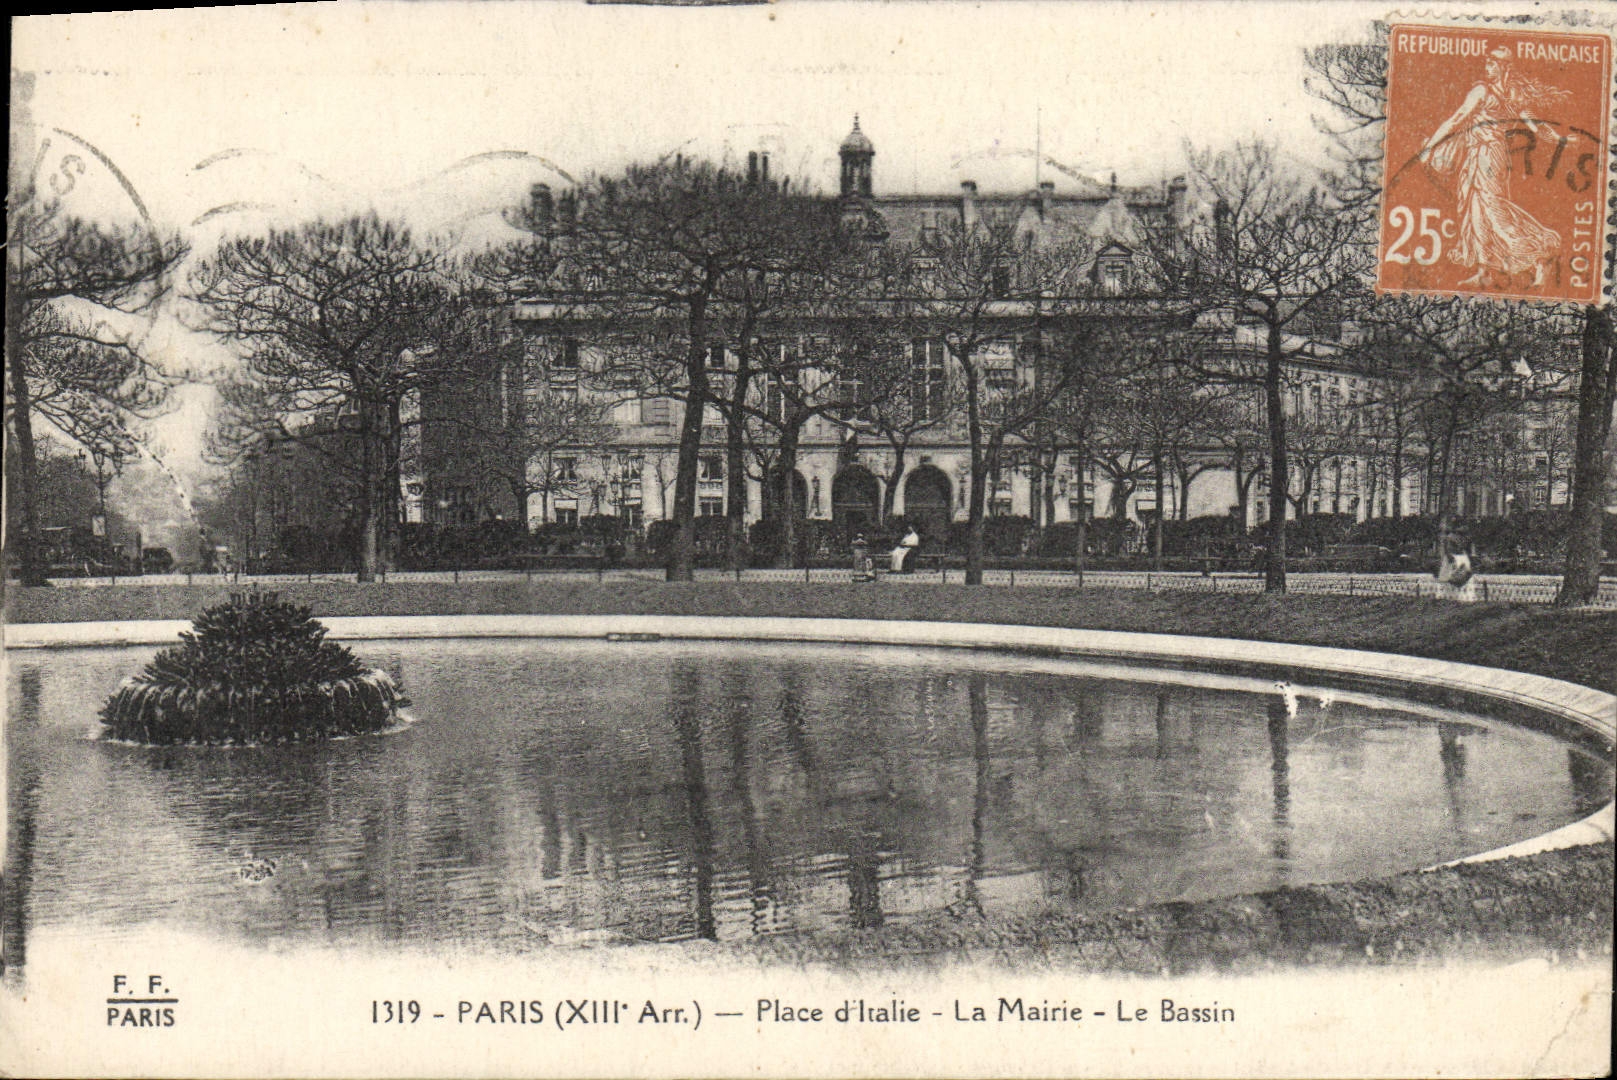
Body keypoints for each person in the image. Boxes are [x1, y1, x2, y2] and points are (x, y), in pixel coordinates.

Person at [1418, 46, 1570, 289]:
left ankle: (1539, 255)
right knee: (1474, 210)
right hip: (1480, 154)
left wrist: (1429, 148)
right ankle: (1484, 270)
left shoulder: (1486, 91)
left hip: (1487, 156)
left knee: (1493, 211)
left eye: (1491, 64)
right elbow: (1535, 125)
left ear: (1503, 67)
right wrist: (1557, 138)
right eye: (1486, 63)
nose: (1487, 68)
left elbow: (1457, 119)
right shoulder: (1510, 94)